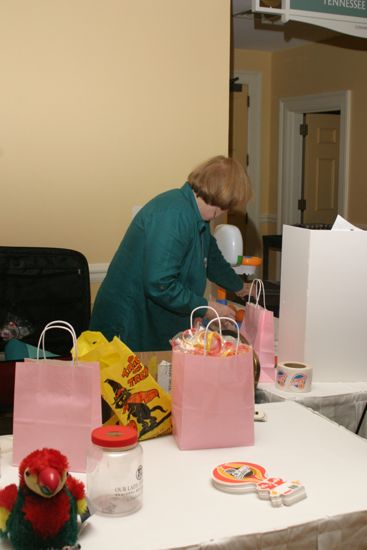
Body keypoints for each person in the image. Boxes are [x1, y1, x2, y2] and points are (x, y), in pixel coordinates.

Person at [90, 155, 251, 351]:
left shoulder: (196, 216)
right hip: (129, 322)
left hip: (148, 317)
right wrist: (208, 308)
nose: (225, 211)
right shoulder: (173, 215)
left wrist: (240, 287)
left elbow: (213, 260)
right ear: (221, 198)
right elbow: (160, 284)